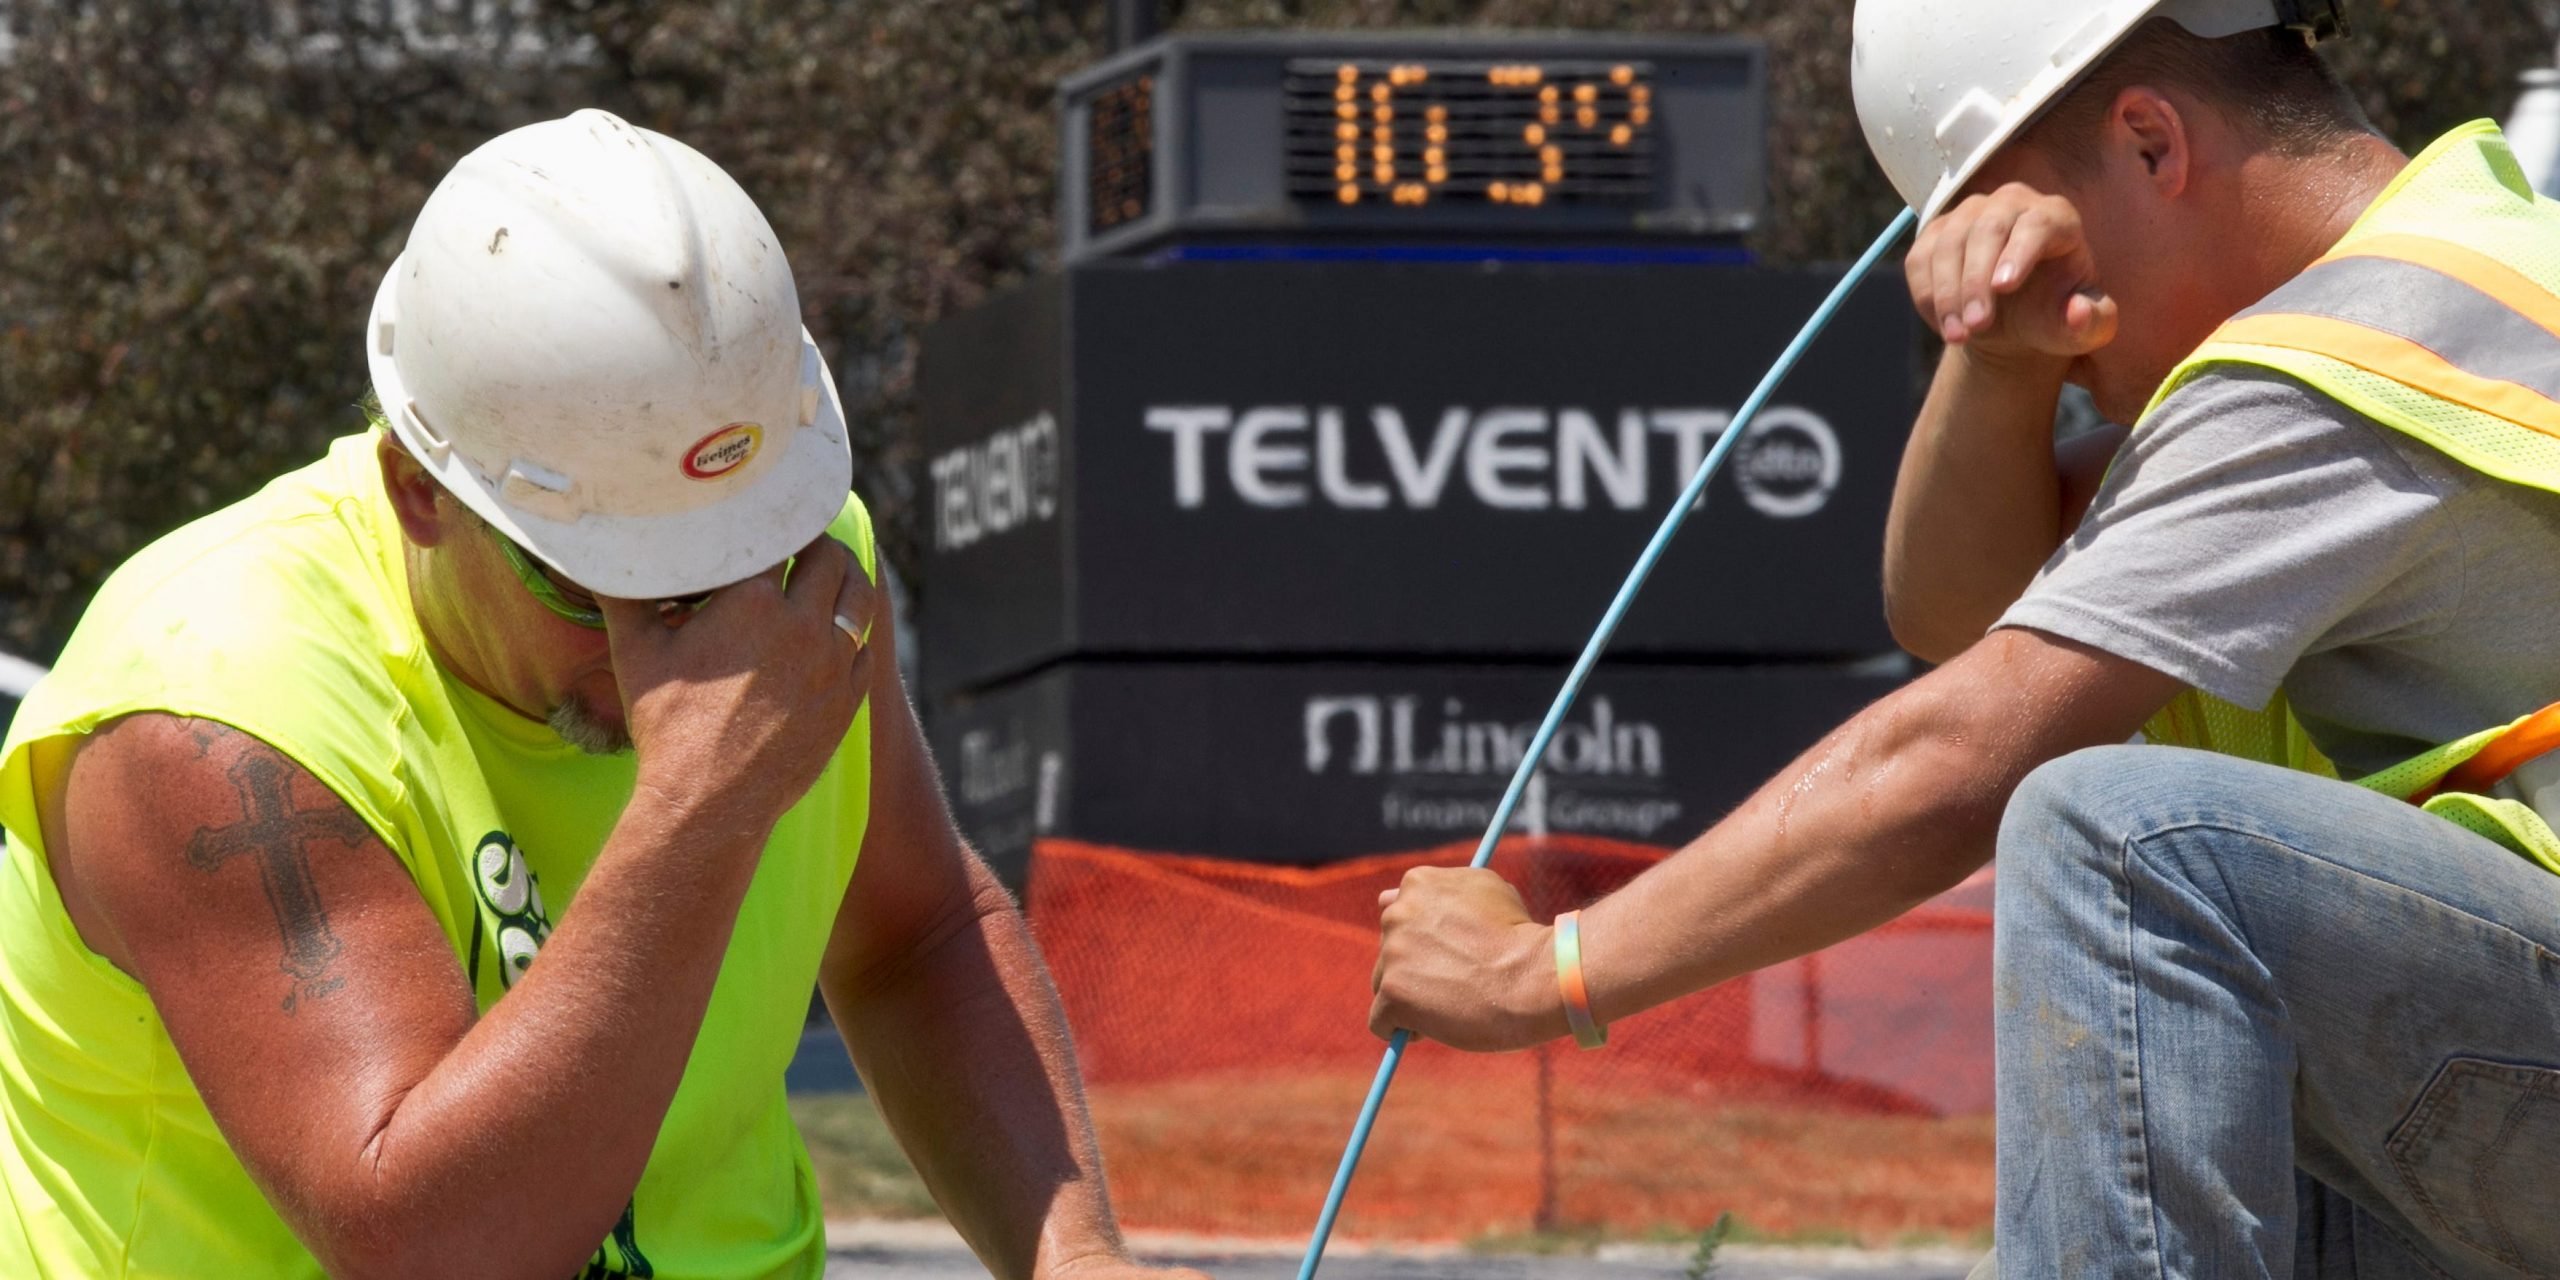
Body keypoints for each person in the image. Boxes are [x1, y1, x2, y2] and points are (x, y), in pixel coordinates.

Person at [1369, 1, 2560, 1274]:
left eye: (2025, 231)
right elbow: (1960, 610)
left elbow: (1956, 750)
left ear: (2152, 144)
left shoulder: (2348, 362)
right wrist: (1997, 361)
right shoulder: (2471, 273)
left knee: (2126, 844)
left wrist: (1539, 972)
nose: (2048, 296)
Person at [0, 110, 1206, 1280]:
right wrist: (699, 806)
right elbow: (431, 1248)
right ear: (421, 491)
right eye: (609, 583)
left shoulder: (800, 573)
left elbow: (913, 932)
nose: (699, 639)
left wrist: (1074, 1254)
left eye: (746, 547)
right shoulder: (211, 708)